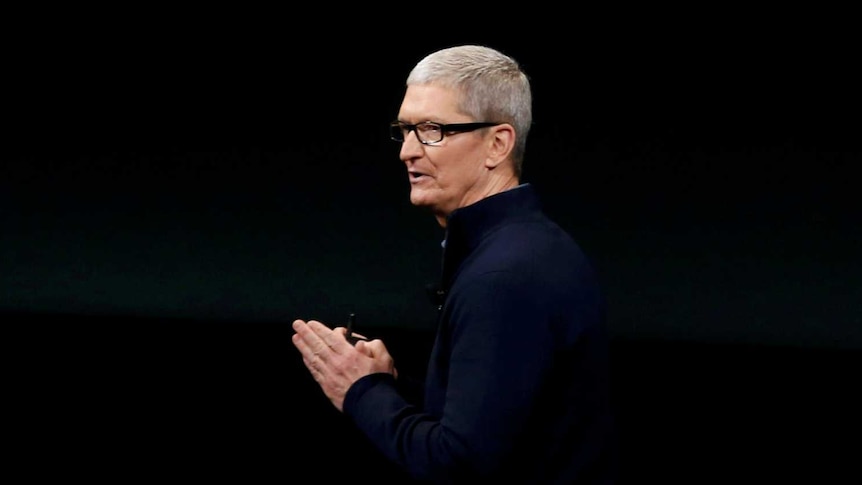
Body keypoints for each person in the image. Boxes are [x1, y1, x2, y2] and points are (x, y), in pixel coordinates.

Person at [291, 44, 617, 484]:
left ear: (498, 143)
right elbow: (500, 425)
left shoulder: (505, 276)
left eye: (432, 130)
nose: (407, 151)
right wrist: (387, 384)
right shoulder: (525, 250)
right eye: (404, 130)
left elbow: (460, 464)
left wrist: (361, 391)